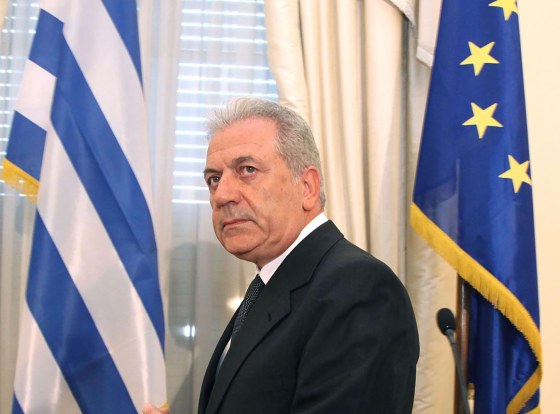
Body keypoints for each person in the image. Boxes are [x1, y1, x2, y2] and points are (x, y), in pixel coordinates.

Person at [144, 97, 419, 414]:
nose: (222, 195)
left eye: (247, 170)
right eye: (214, 179)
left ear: (307, 187)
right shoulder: (271, 283)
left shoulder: (359, 289)